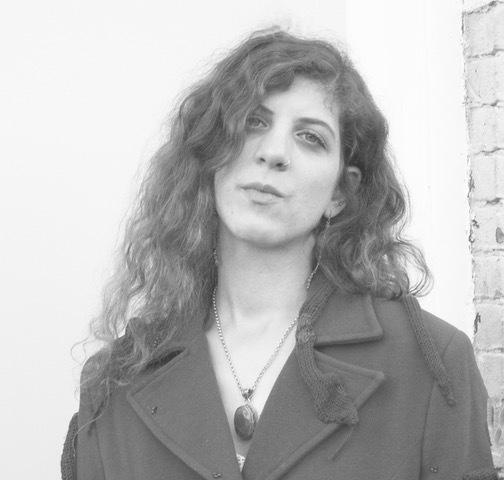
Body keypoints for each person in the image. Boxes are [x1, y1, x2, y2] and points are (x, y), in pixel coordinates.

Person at [61, 28, 497, 480]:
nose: (273, 153)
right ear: (211, 152)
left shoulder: (431, 365)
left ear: (341, 193)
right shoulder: (114, 381)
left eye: (310, 137)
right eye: (253, 122)